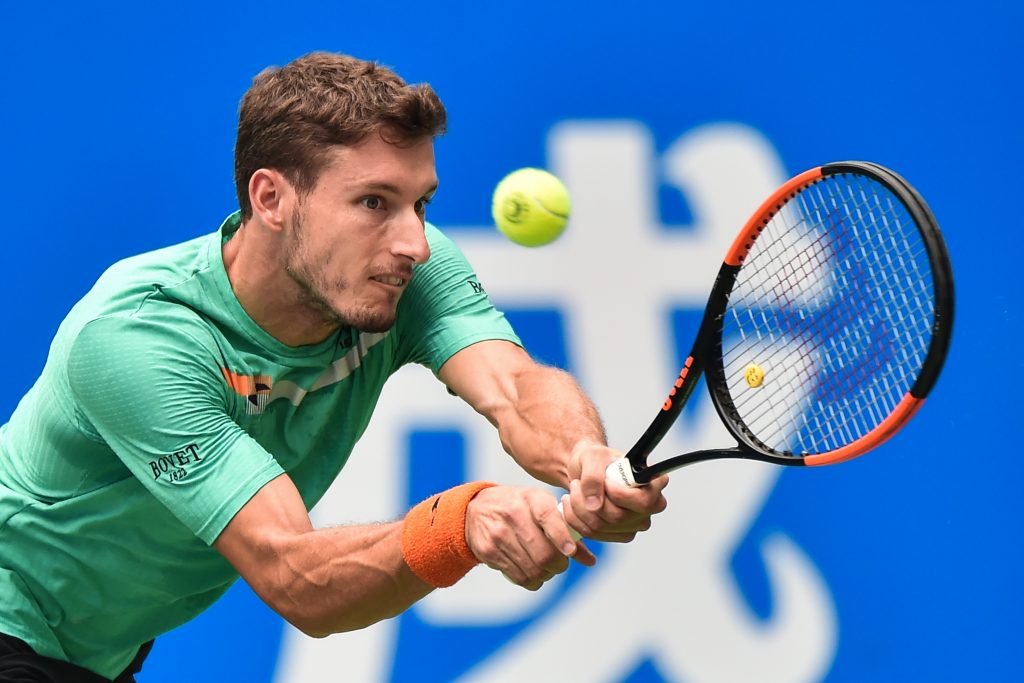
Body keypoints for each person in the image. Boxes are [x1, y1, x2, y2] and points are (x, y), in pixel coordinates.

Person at [0, 51, 668, 682]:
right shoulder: (141, 338)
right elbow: (293, 574)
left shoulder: (400, 272)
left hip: (97, 650)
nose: (414, 243)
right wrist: (460, 524)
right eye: (374, 202)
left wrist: (583, 456)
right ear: (271, 199)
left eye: (420, 204)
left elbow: (516, 387)